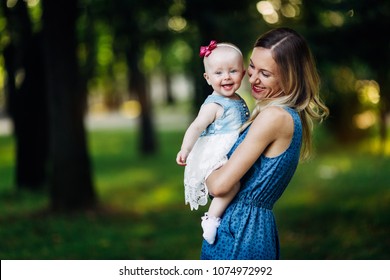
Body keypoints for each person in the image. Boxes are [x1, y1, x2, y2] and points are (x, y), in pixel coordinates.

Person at [201, 27, 329, 259]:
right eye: (251, 66)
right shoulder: (279, 114)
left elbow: (218, 186)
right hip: (240, 226)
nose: (253, 79)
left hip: (242, 232)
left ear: (290, 77)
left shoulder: (275, 117)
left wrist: (199, 164)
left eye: (265, 73)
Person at [176, 41, 250, 245]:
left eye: (232, 71)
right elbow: (196, 127)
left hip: (231, 153)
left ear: (242, 74)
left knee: (239, 183)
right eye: (218, 73)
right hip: (215, 156)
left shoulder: (236, 99)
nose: (226, 77)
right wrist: (185, 149)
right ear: (208, 78)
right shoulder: (213, 104)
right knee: (231, 185)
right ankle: (211, 219)